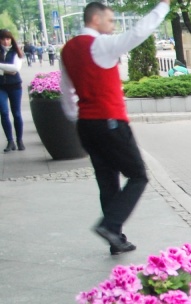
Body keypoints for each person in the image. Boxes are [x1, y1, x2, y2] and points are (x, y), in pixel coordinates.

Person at [60, 0, 171, 256]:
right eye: (110, 21)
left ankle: (115, 239)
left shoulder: (68, 50)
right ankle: (110, 226)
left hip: (86, 125)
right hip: (109, 121)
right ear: (95, 20)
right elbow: (137, 33)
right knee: (138, 175)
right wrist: (162, 6)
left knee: (107, 180)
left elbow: (66, 91)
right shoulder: (101, 45)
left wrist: (75, 117)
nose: (112, 27)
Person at [0, 29, 23, 152]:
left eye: (8, 39)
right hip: (1, 86)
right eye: (2, 39)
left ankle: (19, 140)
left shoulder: (16, 51)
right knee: (4, 112)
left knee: (17, 113)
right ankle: (10, 141)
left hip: (15, 85)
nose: (5, 41)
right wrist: (7, 70)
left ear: (11, 39)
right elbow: (11, 69)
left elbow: (15, 68)